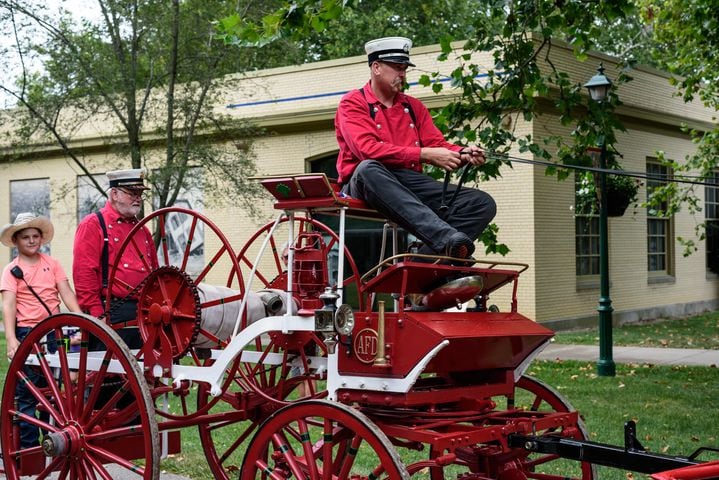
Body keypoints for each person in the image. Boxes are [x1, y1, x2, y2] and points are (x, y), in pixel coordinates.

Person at [335, 36, 497, 262]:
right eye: (396, 68)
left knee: (481, 203)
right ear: (376, 67)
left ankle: (424, 263)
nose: (402, 74)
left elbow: (436, 145)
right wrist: (424, 154)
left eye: (404, 69)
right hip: (366, 183)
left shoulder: (413, 106)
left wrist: (463, 152)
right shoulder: (353, 103)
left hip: (407, 182)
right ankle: (447, 241)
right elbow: (367, 150)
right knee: (368, 168)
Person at [0, 212, 82, 448]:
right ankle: (29, 447)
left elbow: (65, 292)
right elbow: (9, 304)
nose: (32, 240)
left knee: (56, 388)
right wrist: (12, 339)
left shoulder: (52, 264)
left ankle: (54, 439)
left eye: (35, 236)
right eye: (26, 237)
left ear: (41, 238)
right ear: (16, 241)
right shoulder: (11, 271)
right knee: (28, 391)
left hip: (57, 333)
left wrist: (80, 319)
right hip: (29, 334)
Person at [73, 168, 158, 349]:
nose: (138, 198)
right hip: (112, 311)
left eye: (140, 194)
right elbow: (84, 274)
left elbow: (154, 272)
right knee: (111, 375)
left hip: (145, 311)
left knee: (142, 373)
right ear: (114, 194)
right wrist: (97, 316)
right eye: (132, 193)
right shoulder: (93, 224)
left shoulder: (143, 230)